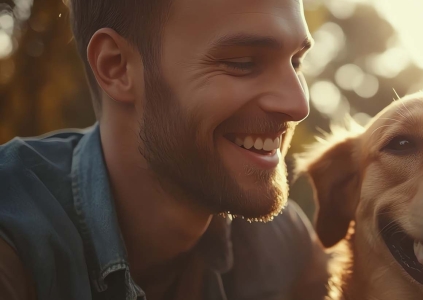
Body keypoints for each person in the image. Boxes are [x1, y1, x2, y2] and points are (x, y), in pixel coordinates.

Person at [0, 0, 330, 299]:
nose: (298, 105)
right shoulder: (14, 233)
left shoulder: (287, 247)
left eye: (296, 61)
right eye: (243, 63)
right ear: (116, 66)